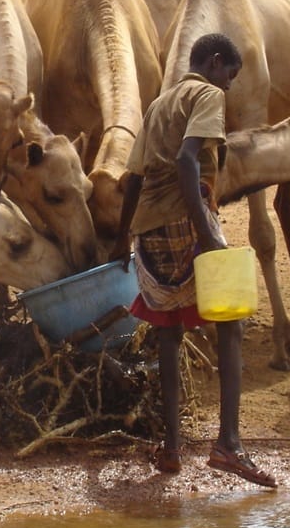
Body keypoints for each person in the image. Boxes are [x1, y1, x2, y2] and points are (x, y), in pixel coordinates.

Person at [111, 32, 276, 488]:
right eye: (230, 75)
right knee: (231, 322)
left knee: (168, 332)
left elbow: (133, 178)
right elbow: (187, 161)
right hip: (187, 220)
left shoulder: (160, 104)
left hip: (149, 230)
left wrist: (122, 238)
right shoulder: (205, 95)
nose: (228, 87)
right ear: (216, 62)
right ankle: (229, 444)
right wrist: (208, 238)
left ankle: (171, 447)